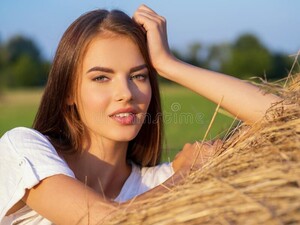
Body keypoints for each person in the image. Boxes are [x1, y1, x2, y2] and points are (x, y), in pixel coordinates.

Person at [0, 4, 280, 225]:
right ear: (68, 93)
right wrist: (183, 177)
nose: (126, 93)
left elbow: (283, 116)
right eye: (101, 78)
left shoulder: (155, 183)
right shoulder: (22, 149)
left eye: (139, 76)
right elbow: (103, 220)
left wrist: (169, 65)